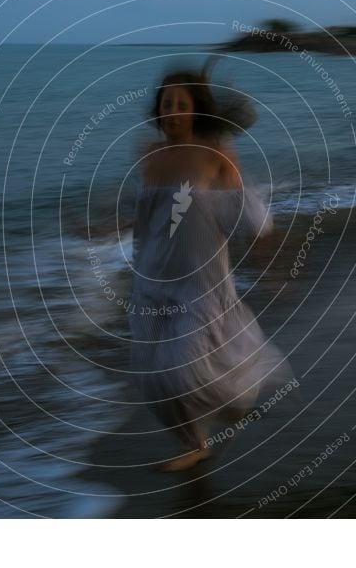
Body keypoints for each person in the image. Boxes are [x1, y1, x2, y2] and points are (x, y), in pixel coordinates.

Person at [128, 62, 294, 472]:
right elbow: (145, 216)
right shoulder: (148, 155)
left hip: (200, 283)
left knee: (188, 374)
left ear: (195, 109)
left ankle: (237, 402)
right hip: (152, 279)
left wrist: (268, 262)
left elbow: (249, 217)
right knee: (156, 381)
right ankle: (194, 444)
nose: (173, 111)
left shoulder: (216, 154)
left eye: (181, 103)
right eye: (167, 103)